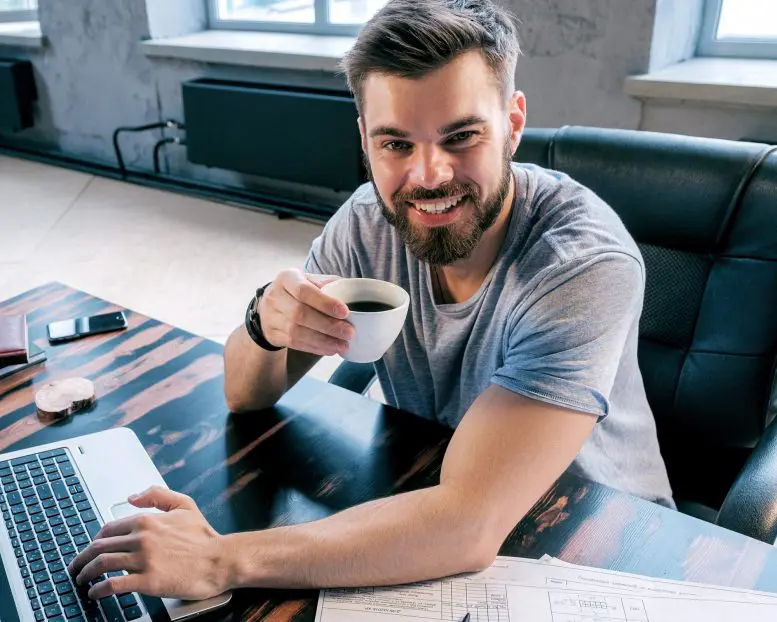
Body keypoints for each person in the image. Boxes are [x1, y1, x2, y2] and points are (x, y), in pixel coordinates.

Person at [68, 0, 673, 601]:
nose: (429, 175)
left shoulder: (580, 266)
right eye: (396, 144)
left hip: (606, 540)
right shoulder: (367, 222)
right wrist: (265, 327)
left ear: (514, 123)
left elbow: (468, 524)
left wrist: (221, 559)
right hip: (433, 494)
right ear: (364, 139)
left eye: (461, 136)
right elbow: (244, 392)